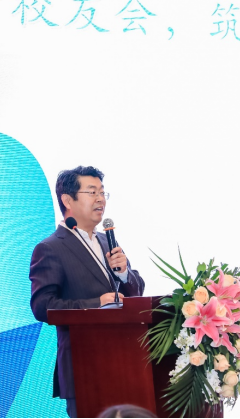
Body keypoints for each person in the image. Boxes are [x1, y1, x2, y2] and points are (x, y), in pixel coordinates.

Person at [30, 166, 145, 419]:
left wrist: (125, 274)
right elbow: (42, 306)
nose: (100, 199)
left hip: (127, 360)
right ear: (67, 200)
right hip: (84, 366)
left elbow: (136, 293)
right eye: (92, 192)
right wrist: (97, 303)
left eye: (103, 193)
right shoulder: (50, 248)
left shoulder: (107, 240)